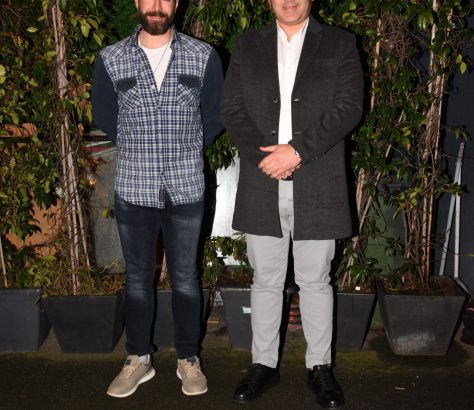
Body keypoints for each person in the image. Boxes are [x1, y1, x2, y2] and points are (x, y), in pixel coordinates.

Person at [220, 0, 363, 408]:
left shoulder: (339, 43)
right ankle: (263, 364)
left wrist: (296, 151)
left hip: (318, 181)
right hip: (262, 180)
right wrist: (267, 158)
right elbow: (231, 108)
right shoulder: (247, 45)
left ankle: (320, 367)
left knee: (316, 280)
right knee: (264, 279)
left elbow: (349, 108)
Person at [91, 0, 223, 399]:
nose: (156, 6)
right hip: (135, 186)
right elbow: (105, 115)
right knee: (136, 280)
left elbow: (214, 114)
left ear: (176, 4)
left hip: (186, 185)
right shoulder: (111, 59)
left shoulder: (203, 56)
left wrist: (185, 148)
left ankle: (188, 357)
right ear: (137, 2)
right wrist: (141, 149)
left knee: (186, 278)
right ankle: (138, 358)